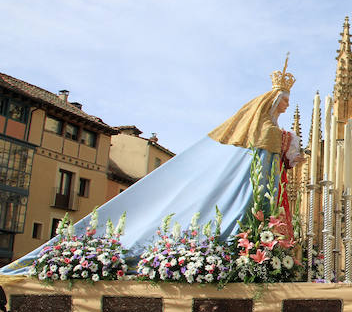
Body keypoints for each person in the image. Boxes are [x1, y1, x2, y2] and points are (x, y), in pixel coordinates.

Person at [1, 62, 303, 275]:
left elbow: (277, 151)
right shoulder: (264, 128)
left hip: (261, 185)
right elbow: (274, 143)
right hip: (249, 185)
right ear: (273, 101)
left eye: (288, 102)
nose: (287, 106)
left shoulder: (269, 130)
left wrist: (288, 151)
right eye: (284, 101)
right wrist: (292, 146)